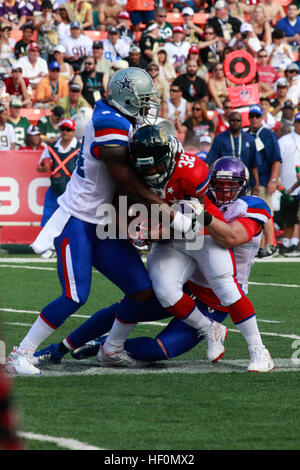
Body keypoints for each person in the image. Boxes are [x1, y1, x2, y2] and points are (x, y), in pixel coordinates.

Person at [5, 67, 189, 376]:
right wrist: (170, 214)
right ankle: (20, 353)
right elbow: (126, 182)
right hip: (76, 219)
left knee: (141, 289)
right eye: (142, 100)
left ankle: (112, 348)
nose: (147, 106)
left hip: (102, 223)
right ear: (127, 99)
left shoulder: (119, 117)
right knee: (75, 294)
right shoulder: (108, 123)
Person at [37, 158, 274, 374]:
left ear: (243, 185)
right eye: (219, 185)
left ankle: (103, 344)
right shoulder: (200, 200)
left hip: (215, 300)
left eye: (230, 185)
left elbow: (232, 236)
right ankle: (61, 347)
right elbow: (181, 230)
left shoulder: (250, 206)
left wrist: (199, 218)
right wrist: (149, 232)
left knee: (156, 351)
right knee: (134, 300)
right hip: (188, 285)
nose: (223, 191)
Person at [93, 129, 274, 372]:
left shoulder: (194, 172)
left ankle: (259, 351)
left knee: (227, 286)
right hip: (177, 241)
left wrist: (152, 230)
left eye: (157, 166)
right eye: (145, 168)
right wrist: (140, 229)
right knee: (165, 291)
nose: (152, 173)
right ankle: (209, 329)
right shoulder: (132, 172)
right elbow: (126, 207)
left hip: (201, 233)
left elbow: (195, 223)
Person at [247, 104, 282, 257]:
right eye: (251, 116)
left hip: (264, 179)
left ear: (262, 117)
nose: (254, 119)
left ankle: (271, 245)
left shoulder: (268, 135)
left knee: (266, 214)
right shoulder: (245, 134)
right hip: (248, 182)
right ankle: (259, 247)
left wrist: (273, 180)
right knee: (251, 215)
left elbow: (276, 160)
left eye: (257, 116)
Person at [37, 118, 81, 233]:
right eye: (63, 129)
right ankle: (47, 248)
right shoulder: (51, 148)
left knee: (72, 221)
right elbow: (39, 167)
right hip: (55, 190)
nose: (65, 132)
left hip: (73, 192)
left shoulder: (80, 149)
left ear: (74, 131)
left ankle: (68, 246)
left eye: (68, 129)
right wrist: (42, 168)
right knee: (48, 218)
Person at [206, 111, 259, 187]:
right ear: (228, 121)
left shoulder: (250, 139)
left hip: (244, 181)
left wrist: (257, 184)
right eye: (233, 120)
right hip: (225, 182)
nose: (235, 122)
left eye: (238, 120)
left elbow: (254, 164)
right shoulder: (219, 139)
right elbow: (210, 161)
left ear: (241, 122)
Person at [277, 112, 300, 256]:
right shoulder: (285, 140)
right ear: (295, 123)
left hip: (295, 186)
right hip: (288, 185)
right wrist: (277, 180)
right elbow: (277, 162)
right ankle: (287, 243)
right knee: (289, 218)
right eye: (298, 122)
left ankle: (294, 244)